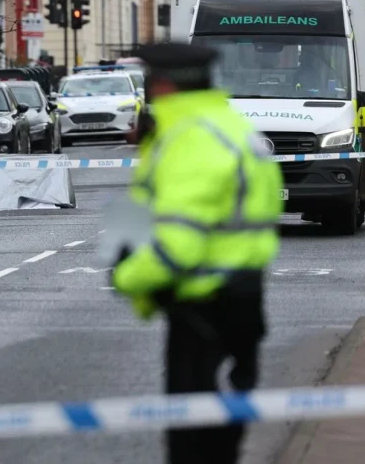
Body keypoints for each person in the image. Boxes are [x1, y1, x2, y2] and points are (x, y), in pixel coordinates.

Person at [110, 42, 284, 464]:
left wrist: (125, 277)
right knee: (222, 437)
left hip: (202, 308)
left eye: (150, 80)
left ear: (165, 86)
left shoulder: (194, 141)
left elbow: (178, 245)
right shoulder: (230, 127)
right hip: (242, 298)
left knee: (193, 443)